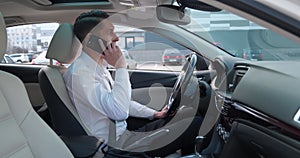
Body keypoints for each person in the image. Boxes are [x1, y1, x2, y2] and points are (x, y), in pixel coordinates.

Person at [63, 10, 202, 157]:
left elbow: (121, 102)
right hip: (114, 147)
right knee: (194, 125)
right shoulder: (80, 74)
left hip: (124, 135)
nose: (116, 38)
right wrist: (120, 66)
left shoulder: (97, 67)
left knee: (187, 115)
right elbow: (120, 111)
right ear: (91, 39)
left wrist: (154, 114)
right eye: (110, 32)